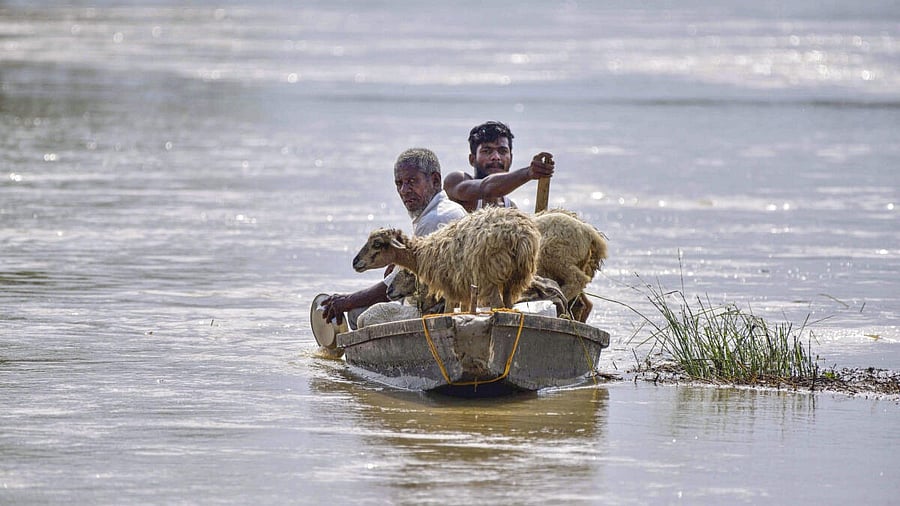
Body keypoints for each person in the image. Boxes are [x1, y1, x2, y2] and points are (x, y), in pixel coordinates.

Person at [320, 148, 467, 328]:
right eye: (399, 183)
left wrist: (347, 301)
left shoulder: (434, 220)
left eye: (412, 181)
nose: (404, 190)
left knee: (358, 315)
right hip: (445, 304)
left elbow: (387, 290)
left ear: (435, 180)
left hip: (438, 312)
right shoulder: (448, 209)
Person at [443, 121, 555, 212]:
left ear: (511, 158)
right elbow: (487, 188)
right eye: (487, 151)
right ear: (472, 159)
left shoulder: (510, 208)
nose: (496, 157)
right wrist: (528, 173)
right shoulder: (456, 181)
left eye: (502, 151)